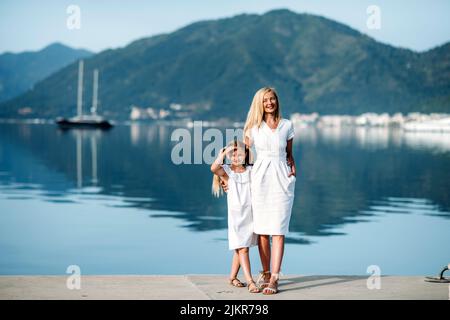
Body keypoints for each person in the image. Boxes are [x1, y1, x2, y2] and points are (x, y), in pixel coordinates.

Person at [243, 87, 297, 295]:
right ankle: (265, 273)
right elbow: (244, 158)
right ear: (260, 103)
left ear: (277, 101)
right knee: (262, 231)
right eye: (265, 100)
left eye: (272, 99)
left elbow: (289, 154)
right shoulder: (253, 128)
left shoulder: (287, 126)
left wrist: (292, 171)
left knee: (279, 230)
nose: (269, 103)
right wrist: (227, 177)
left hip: (282, 179)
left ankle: (275, 277)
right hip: (260, 180)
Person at [211, 140, 260, 293]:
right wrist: (223, 153)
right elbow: (213, 168)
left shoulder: (251, 170)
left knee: (240, 248)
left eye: (240, 154)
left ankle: (232, 277)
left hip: (251, 215)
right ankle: (251, 281)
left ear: (246, 155)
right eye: (233, 154)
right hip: (236, 217)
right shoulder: (227, 171)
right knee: (243, 248)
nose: (236, 157)